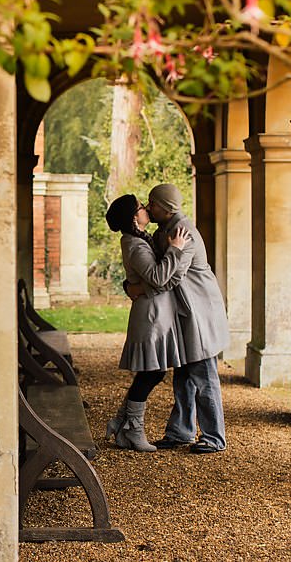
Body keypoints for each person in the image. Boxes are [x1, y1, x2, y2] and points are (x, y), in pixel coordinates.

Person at [128, 183, 230, 454]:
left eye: (153, 203)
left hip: (199, 311)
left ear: (166, 206)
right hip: (184, 311)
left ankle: (213, 437)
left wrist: (136, 289)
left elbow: (168, 278)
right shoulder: (164, 230)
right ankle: (180, 431)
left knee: (203, 375)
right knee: (183, 373)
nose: (149, 207)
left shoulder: (183, 233)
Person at [104, 193, 191, 452]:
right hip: (150, 315)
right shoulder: (134, 244)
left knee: (153, 370)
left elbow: (150, 280)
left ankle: (124, 422)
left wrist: (133, 286)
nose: (145, 209)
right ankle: (132, 427)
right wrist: (176, 249)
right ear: (134, 217)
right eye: (141, 207)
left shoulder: (140, 240)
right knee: (153, 371)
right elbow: (158, 277)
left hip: (155, 310)